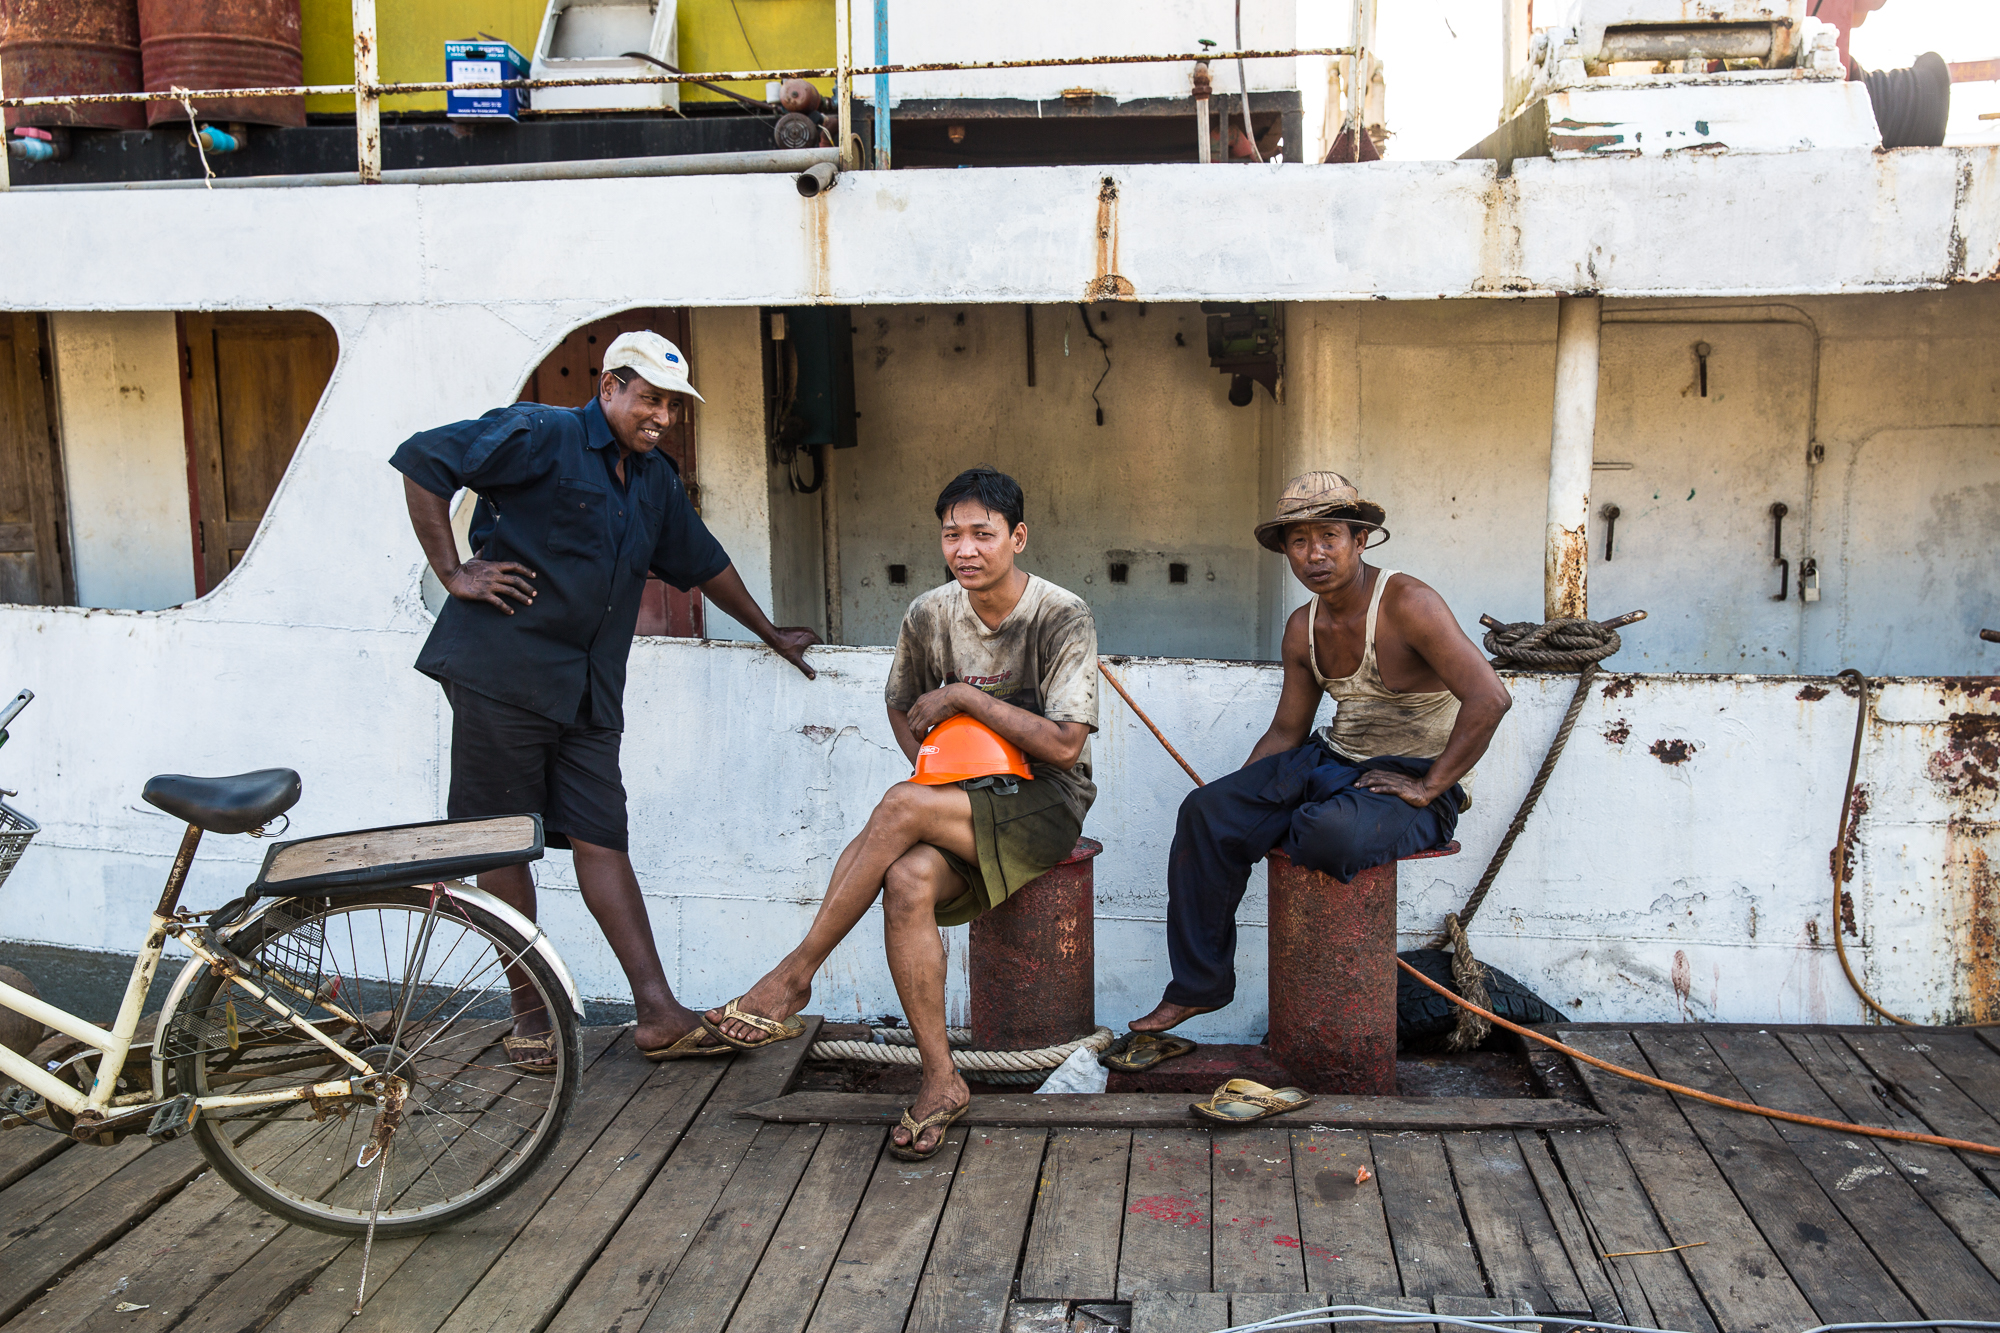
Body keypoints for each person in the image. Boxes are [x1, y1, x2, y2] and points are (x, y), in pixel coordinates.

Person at [391, 330, 820, 1069]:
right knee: (504, 842)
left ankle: (656, 1012)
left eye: (673, 406)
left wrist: (769, 631)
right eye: (650, 398)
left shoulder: (653, 478)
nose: (662, 416)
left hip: (588, 688)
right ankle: (529, 1016)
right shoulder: (542, 432)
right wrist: (453, 570)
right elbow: (424, 459)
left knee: (602, 836)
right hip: (503, 673)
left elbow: (703, 560)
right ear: (609, 387)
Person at [702, 467, 1099, 1160]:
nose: (965, 549)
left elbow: (1066, 746)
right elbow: (901, 700)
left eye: (983, 533)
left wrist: (968, 701)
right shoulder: (928, 614)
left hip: (1044, 799)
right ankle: (942, 1079)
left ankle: (794, 975)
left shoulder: (1060, 614)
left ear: (1018, 537)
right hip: (960, 801)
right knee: (909, 877)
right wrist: (935, 760)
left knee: (899, 804)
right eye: (952, 534)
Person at [1117, 471, 1511, 1065]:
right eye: (1299, 542)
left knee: (1329, 834)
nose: (1315, 554)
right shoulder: (1303, 626)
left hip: (1413, 782)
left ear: (1361, 540)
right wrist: (1239, 797)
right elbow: (1286, 731)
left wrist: (1432, 785)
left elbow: (1491, 697)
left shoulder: (1408, 602)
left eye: (1329, 536)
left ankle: (1328, 815)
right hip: (1334, 762)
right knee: (1207, 813)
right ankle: (1198, 988)